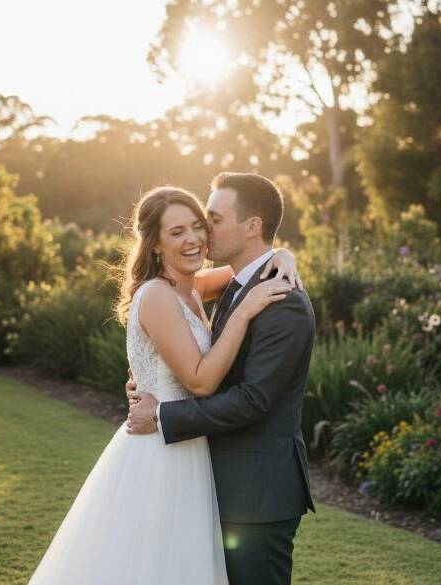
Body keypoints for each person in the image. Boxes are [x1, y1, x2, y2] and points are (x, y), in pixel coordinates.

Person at [26, 184, 301, 585]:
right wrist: (243, 314)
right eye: (176, 233)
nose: (192, 239)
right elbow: (201, 382)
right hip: (160, 450)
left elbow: (256, 260)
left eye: (198, 226)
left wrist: (285, 254)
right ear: (154, 244)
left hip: (188, 443)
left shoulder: (193, 286)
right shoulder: (157, 295)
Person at [127, 172, 316, 585]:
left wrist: (162, 414)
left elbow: (252, 400)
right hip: (212, 481)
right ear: (156, 241)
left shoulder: (282, 302)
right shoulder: (233, 286)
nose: (202, 232)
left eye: (210, 219)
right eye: (186, 227)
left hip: (257, 494)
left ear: (252, 227)